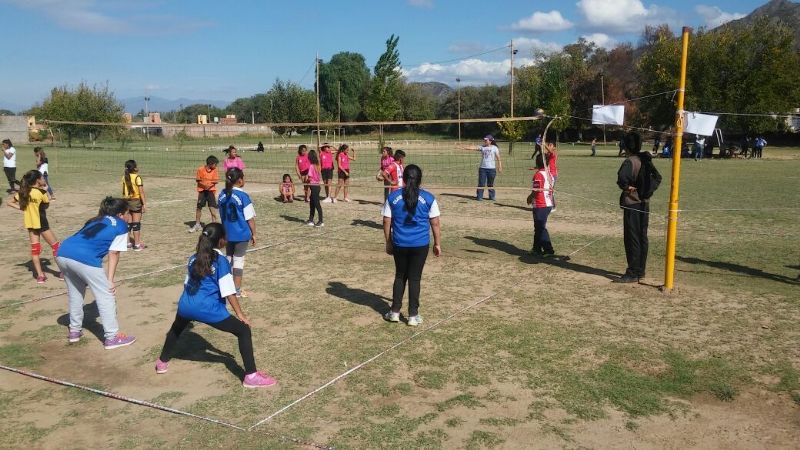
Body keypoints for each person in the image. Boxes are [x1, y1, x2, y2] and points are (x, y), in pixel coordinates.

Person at [154, 223, 276, 388]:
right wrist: (240, 315)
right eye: (225, 237)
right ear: (221, 241)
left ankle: (162, 362)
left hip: (186, 305)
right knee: (243, 330)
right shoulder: (221, 261)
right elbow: (229, 292)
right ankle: (251, 376)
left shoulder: (193, 257)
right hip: (207, 309)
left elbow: (186, 283)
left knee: (176, 328)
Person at [56, 197, 135, 349]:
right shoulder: (121, 225)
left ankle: (74, 330)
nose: (128, 216)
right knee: (106, 295)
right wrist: (110, 280)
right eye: (127, 213)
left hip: (63, 252)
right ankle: (111, 337)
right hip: (85, 259)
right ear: (120, 215)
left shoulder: (95, 220)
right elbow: (114, 253)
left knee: (75, 294)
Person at [382, 164, 441, 326]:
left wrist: (388, 241)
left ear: (403, 178)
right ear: (419, 179)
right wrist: (437, 244)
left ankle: (394, 312)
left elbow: (387, 220)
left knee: (400, 276)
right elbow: (435, 223)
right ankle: (413, 316)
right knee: (415, 278)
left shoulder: (393, 197)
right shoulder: (429, 198)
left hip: (400, 243)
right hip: (420, 245)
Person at [7, 170, 61, 283]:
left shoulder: (23, 192)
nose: (43, 179)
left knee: (35, 251)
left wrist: (22, 208)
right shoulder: (40, 193)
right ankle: (62, 273)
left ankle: (40, 276)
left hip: (31, 225)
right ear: (38, 180)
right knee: (56, 247)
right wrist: (45, 191)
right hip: (42, 224)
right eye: (42, 177)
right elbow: (46, 206)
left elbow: (10, 202)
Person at [615, 132, 654, 283]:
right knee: (642, 236)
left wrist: (626, 187)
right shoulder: (644, 159)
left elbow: (622, 180)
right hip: (645, 203)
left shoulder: (630, 161)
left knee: (633, 238)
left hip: (633, 204)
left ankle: (633, 272)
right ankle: (640, 270)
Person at [218, 168, 256, 298]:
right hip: (241, 234)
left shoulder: (222, 194)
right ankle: (237, 290)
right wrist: (254, 234)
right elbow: (250, 218)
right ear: (240, 180)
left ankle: (225, 287)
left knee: (229, 259)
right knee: (238, 261)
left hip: (227, 233)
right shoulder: (243, 196)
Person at [526, 154, 554, 256]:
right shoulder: (549, 174)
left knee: (541, 228)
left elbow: (537, 190)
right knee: (538, 227)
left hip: (541, 204)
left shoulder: (538, 174)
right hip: (548, 204)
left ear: (537, 163)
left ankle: (548, 250)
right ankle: (536, 249)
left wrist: (529, 197)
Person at [462, 135, 502, 201]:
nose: (485, 141)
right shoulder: (482, 147)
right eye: (484, 140)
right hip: (482, 168)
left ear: (490, 141)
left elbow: (498, 158)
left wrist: (500, 166)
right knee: (481, 183)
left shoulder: (495, 148)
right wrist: (465, 147)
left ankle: (491, 197)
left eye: (486, 140)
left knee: (490, 184)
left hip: (492, 169)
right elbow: (474, 148)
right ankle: (479, 197)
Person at [189, 155, 219, 233]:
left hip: (210, 191)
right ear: (210, 163)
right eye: (215, 164)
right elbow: (198, 180)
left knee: (212, 209)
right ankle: (197, 225)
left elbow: (215, 181)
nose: (216, 166)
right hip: (202, 191)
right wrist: (204, 185)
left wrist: (209, 186)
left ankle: (214, 226)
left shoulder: (215, 170)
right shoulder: (200, 169)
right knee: (199, 208)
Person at [122, 160, 146, 251]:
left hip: (126, 201)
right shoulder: (137, 178)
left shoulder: (124, 177)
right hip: (135, 201)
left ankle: (127, 243)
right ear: (134, 168)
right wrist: (144, 204)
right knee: (136, 224)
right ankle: (137, 245)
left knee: (128, 224)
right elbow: (141, 192)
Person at [306, 150, 324, 227]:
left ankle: (321, 221)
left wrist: (306, 180)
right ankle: (311, 219)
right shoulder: (318, 165)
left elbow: (310, 178)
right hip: (317, 186)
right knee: (312, 203)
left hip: (314, 186)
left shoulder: (311, 166)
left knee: (317, 204)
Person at [544, 141, 558, 210]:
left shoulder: (554, 153)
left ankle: (552, 207)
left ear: (554, 147)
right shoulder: (548, 154)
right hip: (548, 174)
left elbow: (549, 150)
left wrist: (544, 144)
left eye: (550, 145)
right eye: (548, 145)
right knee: (547, 190)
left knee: (550, 191)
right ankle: (549, 205)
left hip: (553, 175)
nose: (549, 146)